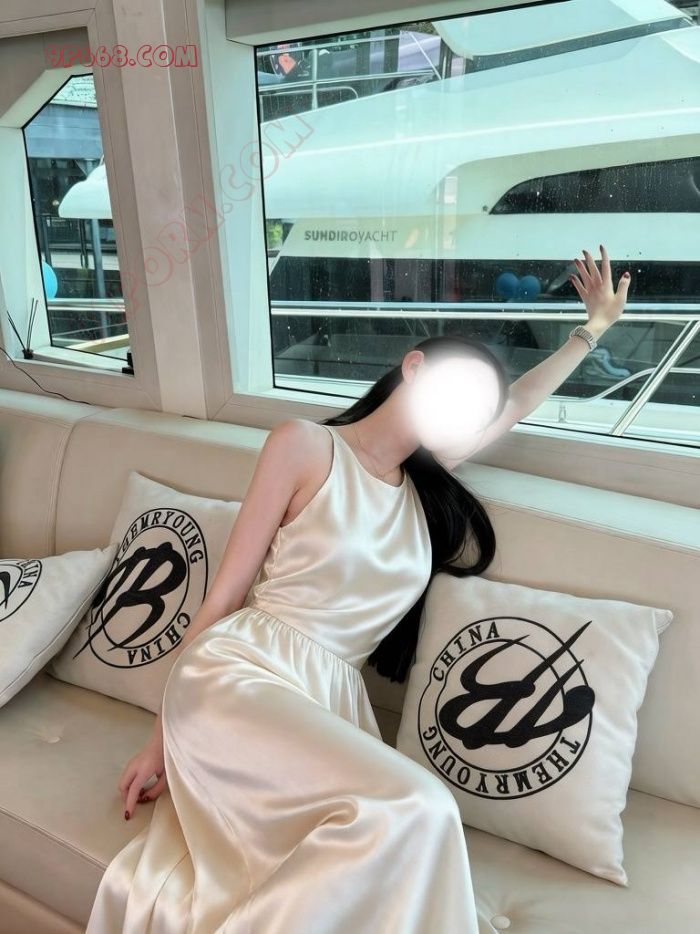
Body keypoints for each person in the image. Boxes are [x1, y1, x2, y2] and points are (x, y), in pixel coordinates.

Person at [86, 246, 629, 932]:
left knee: (400, 828)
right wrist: (161, 737)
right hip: (239, 676)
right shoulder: (305, 446)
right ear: (414, 366)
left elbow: (517, 400)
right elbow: (221, 599)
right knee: (423, 806)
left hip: (332, 700)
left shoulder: (425, 483)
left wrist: (592, 330)